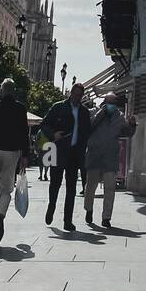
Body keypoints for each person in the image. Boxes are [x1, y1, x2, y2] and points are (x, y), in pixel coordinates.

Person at [0, 79, 30, 246]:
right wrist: (25, 155)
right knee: (6, 188)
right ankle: (0, 214)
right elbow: (24, 133)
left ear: (2, 91)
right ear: (14, 91)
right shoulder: (20, 109)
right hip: (12, 152)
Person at [41, 83, 92, 232]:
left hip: (75, 154)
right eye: (74, 94)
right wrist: (53, 134)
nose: (76, 97)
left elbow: (87, 131)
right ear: (71, 94)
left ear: (82, 96)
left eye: (79, 95)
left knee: (71, 188)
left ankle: (67, 220)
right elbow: (44, 124)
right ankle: (51, 207)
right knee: (55, 184)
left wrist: (84, 148)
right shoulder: (58, 107)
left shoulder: (84, 112)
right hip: (57, 151)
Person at [83, 93, 136, 229]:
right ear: (104, 102)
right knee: (90, 187)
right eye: (110, 102)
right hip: (94, 155)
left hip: (110, 157)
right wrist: (102, 112)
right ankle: (89, 209)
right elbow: (89, 125)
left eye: (114, 103)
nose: (112, 105)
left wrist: (132, 125)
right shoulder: (94, 112)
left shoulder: (119, 116)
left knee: (110, 189)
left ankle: (106, 217)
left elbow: (127, 133)